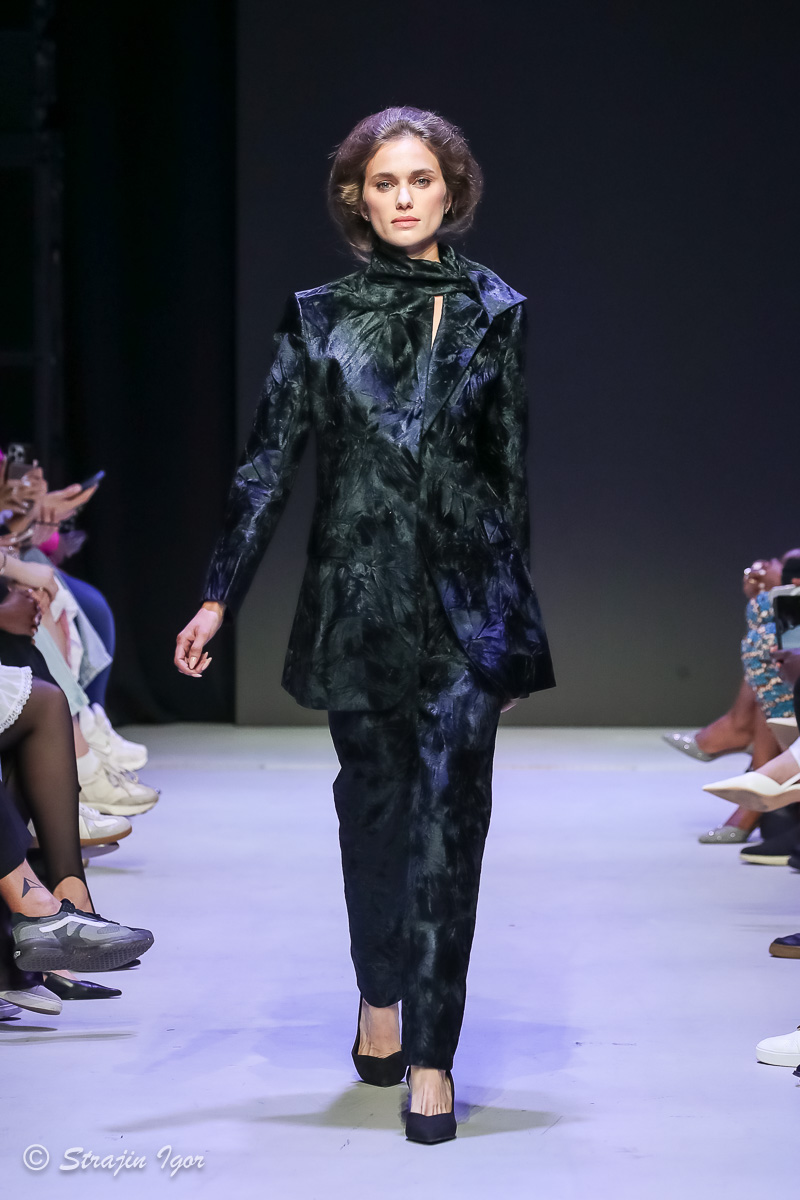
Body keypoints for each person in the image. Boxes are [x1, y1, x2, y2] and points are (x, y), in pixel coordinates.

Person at [174, 106, 554, 1144]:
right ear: (357, 197)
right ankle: (377, 992)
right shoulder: (317, 316)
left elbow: (508, 482)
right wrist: (217, 594)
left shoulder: (497, 311)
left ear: (450, 191)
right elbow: (267, 465)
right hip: (357, 607)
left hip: (466, 616)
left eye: (420, 179)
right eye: (383, 181)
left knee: (451, 831)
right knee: (374, 816)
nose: (402, 196)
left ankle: (432, 1056)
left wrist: (513, 631)